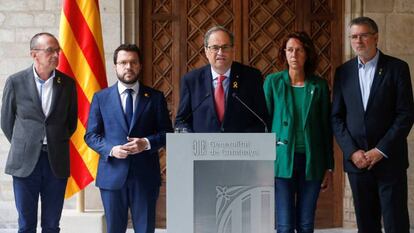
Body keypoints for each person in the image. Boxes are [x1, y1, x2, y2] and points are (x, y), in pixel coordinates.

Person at [332, 17, 414, 233]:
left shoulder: (397, 68)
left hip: (389, 161)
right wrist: (352, 152)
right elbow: (337, 117)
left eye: (363, 35)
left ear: (376, 37)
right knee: (366, 226)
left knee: (396, 224)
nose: (358, 40)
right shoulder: (343, 72)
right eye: (354, 36)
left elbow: (405, 114)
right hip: (358, 164)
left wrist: (380, 150)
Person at [84, 44, 173, 233]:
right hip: (112, 176)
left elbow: (167, 133)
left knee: (145, 229)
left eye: (133, 62)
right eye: (123, 62)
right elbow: (91, 135)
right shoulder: (101, 98)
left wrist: (146, 143)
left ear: (140, 66)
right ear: (115, 66)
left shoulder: (155, 97)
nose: (128, 67)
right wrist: (111, 149)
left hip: (145, 177)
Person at [1, 32, 78, 233]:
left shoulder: (67, 84)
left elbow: (71, 123)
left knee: (52, 225)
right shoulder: (16, 82)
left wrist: (53, 141)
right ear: (34, 54)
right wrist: (27, 144)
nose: (56, 55)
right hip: (25, 163)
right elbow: (6, 121)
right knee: (26, 225)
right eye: (50, 50)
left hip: (56, 162)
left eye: (57, 50)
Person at [263, 31, 334, 233]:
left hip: (312, 161)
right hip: (281, 160)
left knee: (305, 224)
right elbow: (264, 123)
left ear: (307, 54)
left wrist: (329, 167)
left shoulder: (318, 85)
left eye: (299, 50)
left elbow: (325, 127)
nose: (294, 54)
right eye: (290, 50)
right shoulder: (273, 82)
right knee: (284, 225)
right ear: (284, 54)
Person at [175, 26, 268, 132]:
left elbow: (261, 120)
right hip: (202, 147)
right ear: (206, 51)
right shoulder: (191, 80)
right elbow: (181, 121)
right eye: (215, 47)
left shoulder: (251, 77)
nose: (220, 52)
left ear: (233, 49)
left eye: (225, 47)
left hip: (240, 147)